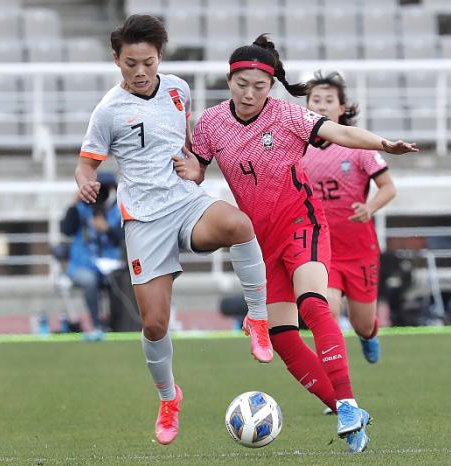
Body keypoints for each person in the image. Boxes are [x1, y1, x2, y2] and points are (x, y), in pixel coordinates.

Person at [177, 35, 417, 453]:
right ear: (229, 80)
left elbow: (339, 132)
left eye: (259, 86)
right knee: (283, 337)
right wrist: (189, 169)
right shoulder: (211, 123)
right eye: (241, 84)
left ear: (271, 86)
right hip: (259, 243)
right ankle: (347, 412)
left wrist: (383, 144)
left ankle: (347, 404)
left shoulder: (287, 115)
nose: (249, 93)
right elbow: (199, 168)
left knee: (313, 303)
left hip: (302, 223)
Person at [74, 15, 273, 446]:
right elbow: (86, 164)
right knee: (154, 324)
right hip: (145, 220)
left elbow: (189, 150)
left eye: (148, 62)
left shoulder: (179, 90)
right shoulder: (108, 111)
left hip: (186, 203)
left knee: (239, 224)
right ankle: (169, 398)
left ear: (160, 57)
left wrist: (197, 169)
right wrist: (85, 182)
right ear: (116, 59)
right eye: (131, 64)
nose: (140, 72)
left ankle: (258, 317)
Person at [301, 71, 397, 366]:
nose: (322, 105)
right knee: (327, 313)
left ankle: (368, 336)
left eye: (329, 100)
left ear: (341, 108)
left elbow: (388, 188)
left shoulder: (358, 146)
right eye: (316, 100)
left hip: (359, 249)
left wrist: (369, 208)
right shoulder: (298, 146)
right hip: (322, 248)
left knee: (362, 324)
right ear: (307, 105)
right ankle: (336, 379)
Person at [60, 172, 123, 340]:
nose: (102, 195)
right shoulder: (81, 210)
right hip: (82, 265)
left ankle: (121, 325)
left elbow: (124, 238)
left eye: (106, 191)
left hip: (110, 265)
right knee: (89, 281)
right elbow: (66, 230)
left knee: (122, 279)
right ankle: (96, 325)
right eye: (99, 191)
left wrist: (107, 229)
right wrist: (76, 201)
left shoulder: (117, 212)